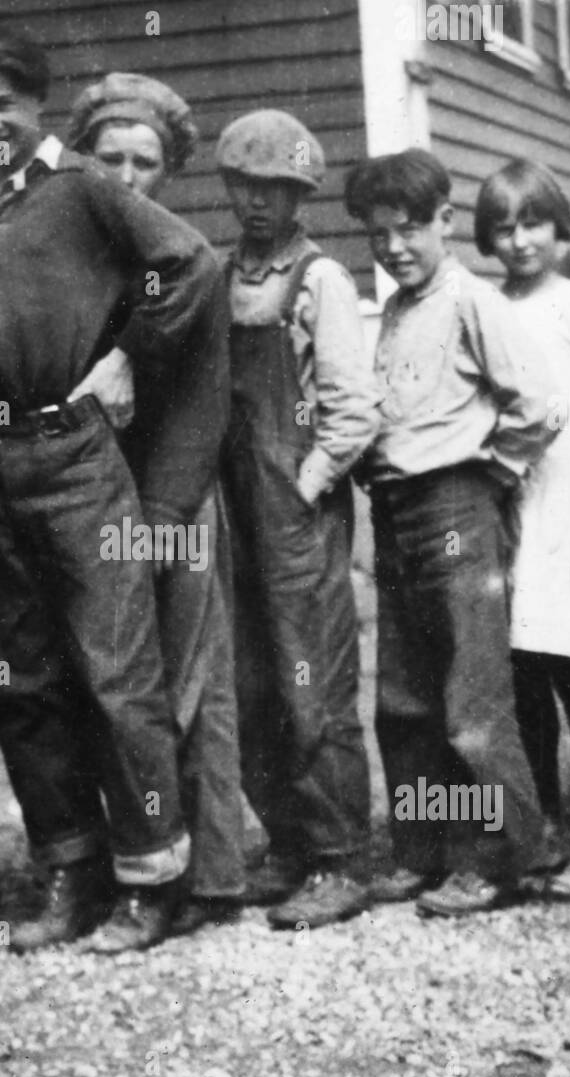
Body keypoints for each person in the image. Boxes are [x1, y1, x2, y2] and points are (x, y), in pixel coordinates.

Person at [0, 29, 220, 953]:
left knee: (114, 672)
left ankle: (154, 881)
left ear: (36, 104)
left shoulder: (84, 189)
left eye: (4, 104)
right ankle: (73, 874)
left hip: (74, 459)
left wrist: (124, 356)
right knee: (23, 680)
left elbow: (190, 265)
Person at [344, 148, 556, 917]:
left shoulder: (473, 301)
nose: (396, 248)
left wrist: (492, 475)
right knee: (405, 699)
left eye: (410, 230)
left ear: (445, 222)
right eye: (378, 236)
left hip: (458, 508)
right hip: (398, 510)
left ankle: (499, 857)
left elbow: (538, 403)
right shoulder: (398, 309)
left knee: (471, 698)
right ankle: (427, 849)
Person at [66, 72, 245, 936]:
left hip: (170, 504)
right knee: (112, 682)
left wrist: (166, 515)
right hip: (91, 500)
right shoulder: (76, 258)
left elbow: (202, 406)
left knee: (185, 683)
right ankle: (128, 854)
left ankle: (208, 871)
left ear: (168, 171)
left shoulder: (184, 266)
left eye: (145, 161)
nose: (127, 177)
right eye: (110, 159)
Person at [214, 110, 380, 930]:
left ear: (299, 196)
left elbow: (354, 412)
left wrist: (304, 488)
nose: (258, 205)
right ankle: (287, 843)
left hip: (297, 516)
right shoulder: (219, 277)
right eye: (245, 187)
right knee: (248, 683)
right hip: (234, 513)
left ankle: (341, 858)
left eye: (275, 191)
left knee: (312, 683)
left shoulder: (320, 281)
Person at [473, 160, 570, 894]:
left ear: (558, 226)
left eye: (533, 223)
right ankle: (541, 832)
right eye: (502, 228)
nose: (519, 241)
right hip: (511, 508)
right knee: (524, 676)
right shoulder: (486, 303)